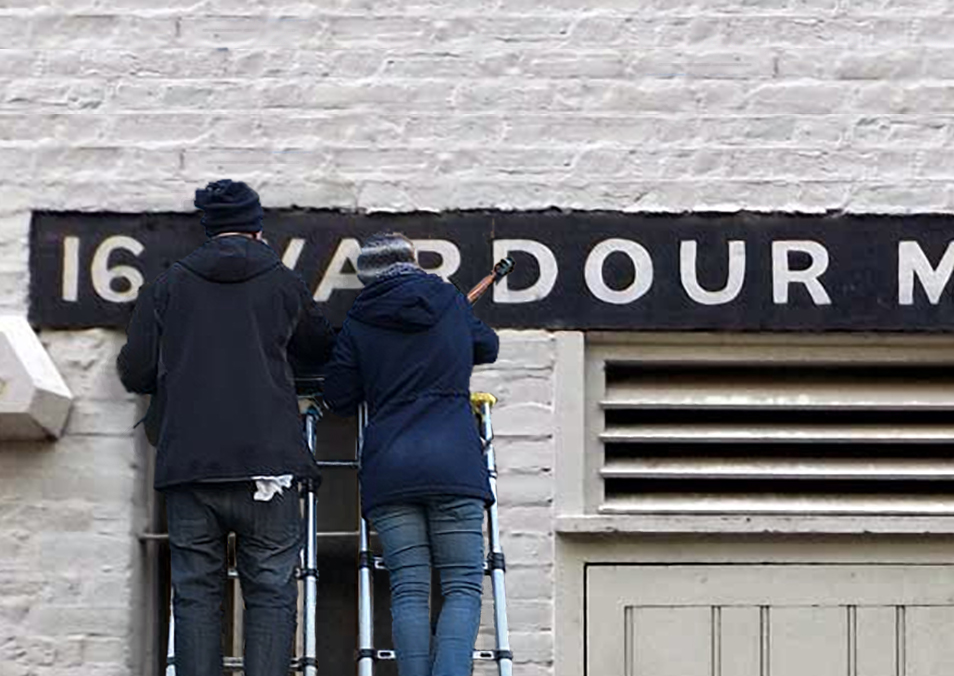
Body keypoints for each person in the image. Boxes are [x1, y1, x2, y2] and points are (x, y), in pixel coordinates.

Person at [116, 179, 335, 676]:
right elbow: (319, 347)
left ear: (207, 229)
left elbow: (135, 370)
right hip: (269, 467)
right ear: (258, 230)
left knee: (194, 594)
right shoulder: (282, 281)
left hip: (190, 466)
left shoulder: (169, 286)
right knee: (272, 592)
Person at [323, 232, 499, 676]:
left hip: (391, 467)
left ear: (366, 277)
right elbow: (488, 346)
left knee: (409, 589)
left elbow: (339, 395)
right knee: (462, 586)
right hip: (454, 462)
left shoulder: (359, 321)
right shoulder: (449, 301)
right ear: (413, 261)